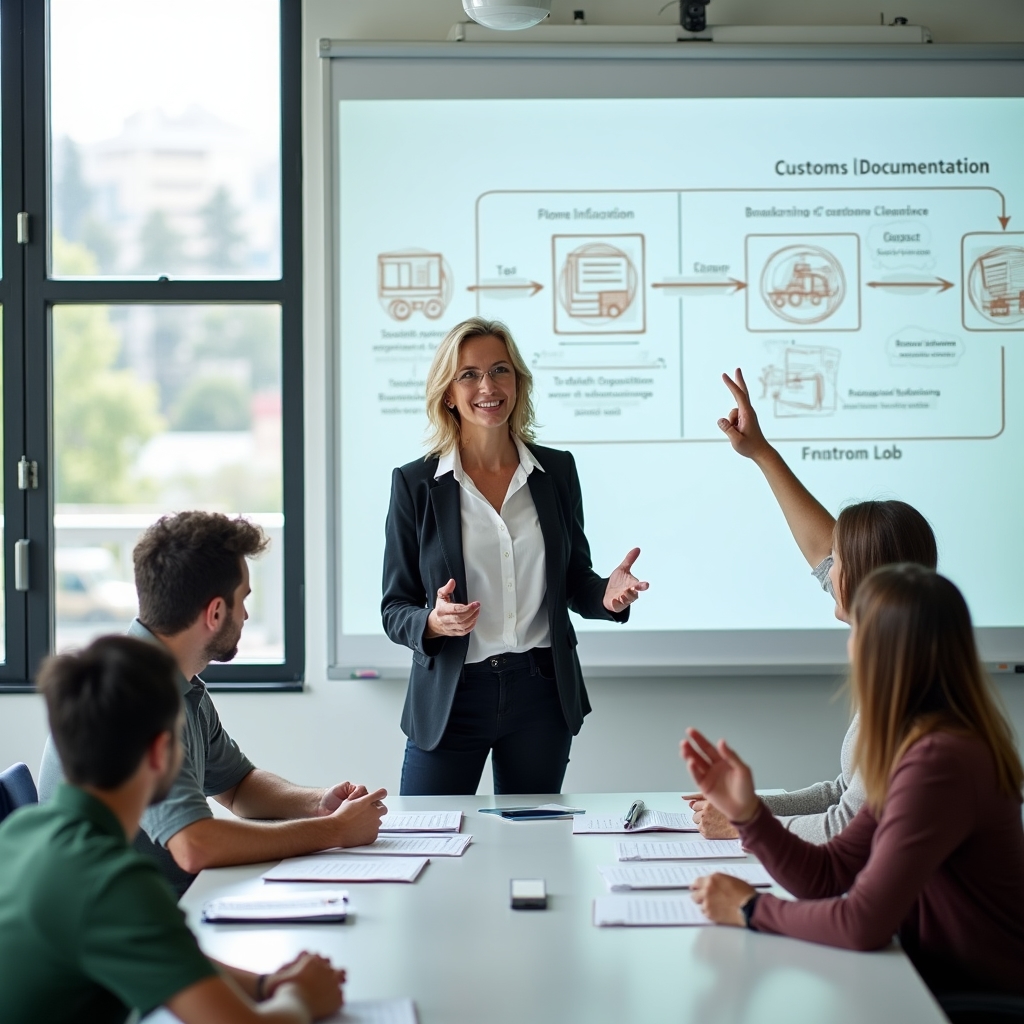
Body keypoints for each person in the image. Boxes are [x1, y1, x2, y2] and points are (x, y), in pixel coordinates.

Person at [682, 565, 1024, 997]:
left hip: (976, 1000)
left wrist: (751, 908)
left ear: (880, 653)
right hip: (936, 984)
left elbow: (862, 924)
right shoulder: (926, 745)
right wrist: (748, 814)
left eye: (855, 630)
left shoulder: (939, 763)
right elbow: (829, 874)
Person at [0, 635, 346, 1024]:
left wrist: (267, 984)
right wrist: (302, 996)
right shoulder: (113, 882)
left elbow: (169, 955)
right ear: (159, 752)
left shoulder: (19, 832)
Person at [39, 511, 387, 894]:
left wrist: (319, 803)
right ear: (215, 613)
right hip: (116, 925)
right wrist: (334, 831)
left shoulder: (175, 681)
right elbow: (195, 847)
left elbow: (237, 787)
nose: (246, 615)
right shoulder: (129, 694)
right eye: (243, 601)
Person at [382, 317, 648, 796]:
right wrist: (433, 623)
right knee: (428, 840)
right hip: (452, 695)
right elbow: (394, 607)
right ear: (448, 393)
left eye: (501, 370)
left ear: (518, 382)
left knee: (534, 846)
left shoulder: (557, 471)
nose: (488, 385)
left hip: (540, 691)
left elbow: (572, 581)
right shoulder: (415, 484)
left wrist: (607, 595)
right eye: (469, 374)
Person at [686, 368, 937, 843]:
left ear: (864, 580)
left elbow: (848, 829)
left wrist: (747, 826)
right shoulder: (902, 654)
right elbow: (844, 793)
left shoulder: (910, 691)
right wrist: (747, 807)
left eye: (836, 561)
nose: (825, 568)